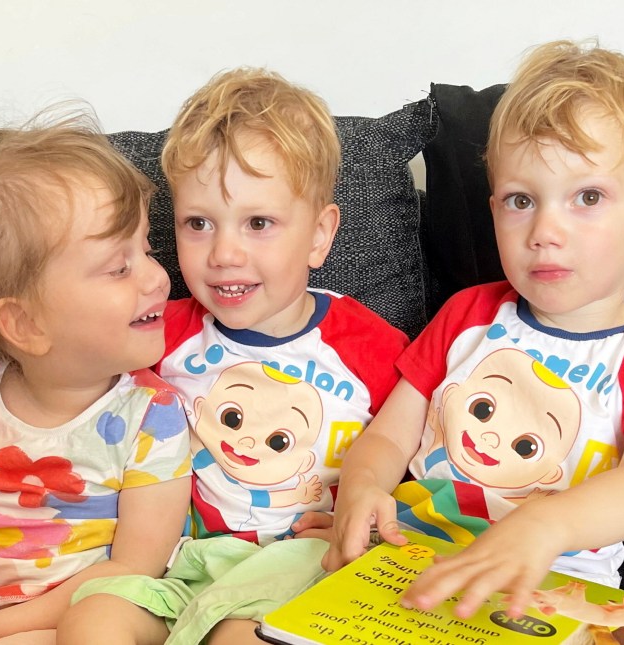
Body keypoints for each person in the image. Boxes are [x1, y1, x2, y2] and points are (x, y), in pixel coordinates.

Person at [323, 39, 624, 621]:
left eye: (587, 197)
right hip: (413, 568)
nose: (545, 230)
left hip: (552, 590)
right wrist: (361, 489)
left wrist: (546, 522)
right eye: (521, 200)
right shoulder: (467, 315)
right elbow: (387, 437)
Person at [58, 68, 409, 645]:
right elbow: (69, 358)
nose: (223, 253)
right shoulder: (157, 333)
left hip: (302, 573)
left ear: (320, 236)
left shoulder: (372, 346)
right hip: (183, 566)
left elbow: (416, 453)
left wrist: (366, 521)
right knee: (93, 621)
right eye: (199, 223)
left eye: (259, 223)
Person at [0, 115, 192, 645]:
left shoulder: (151, 415)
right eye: (119, 267)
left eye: (147, 250)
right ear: (25, 324)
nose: (158, 277)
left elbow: (136, 567)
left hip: (83, 614)